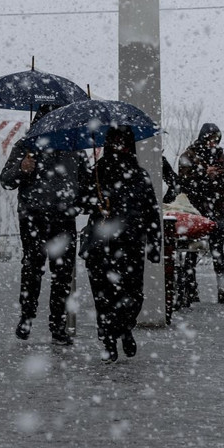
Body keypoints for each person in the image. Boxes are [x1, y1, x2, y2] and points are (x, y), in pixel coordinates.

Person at [0, 104, 92, 346]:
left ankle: (58, 325)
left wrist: (80, 203)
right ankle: (27, 317)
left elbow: (86, 186)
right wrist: (22, 169)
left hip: (63, 219)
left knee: (62, 274)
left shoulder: (74, 150)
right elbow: (7, 181)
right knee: (32, 268)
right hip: (33, 216)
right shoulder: (25, 147)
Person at [81, 126, 162, 362]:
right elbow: (82, 202)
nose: (119, 147)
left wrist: (154, 245)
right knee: (103, 295)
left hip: (131, 244)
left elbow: (151, 211)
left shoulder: (139, 175)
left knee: (133, 294)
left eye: (123, 142)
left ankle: (125, 327)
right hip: (100, 244)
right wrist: (95, 202)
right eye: (114, 141)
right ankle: (107, 338)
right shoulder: (98, 171)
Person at [177, 123, 224, 304]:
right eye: (210, 139)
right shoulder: (189, 155)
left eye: (216, 140)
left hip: (216, 208)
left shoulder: (219, 157)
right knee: (192, 250)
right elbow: (183, 180)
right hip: (195, 209)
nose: (213, 143)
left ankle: (223, 288)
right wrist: (203, 173)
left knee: (218, 251)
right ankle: (190, 288)